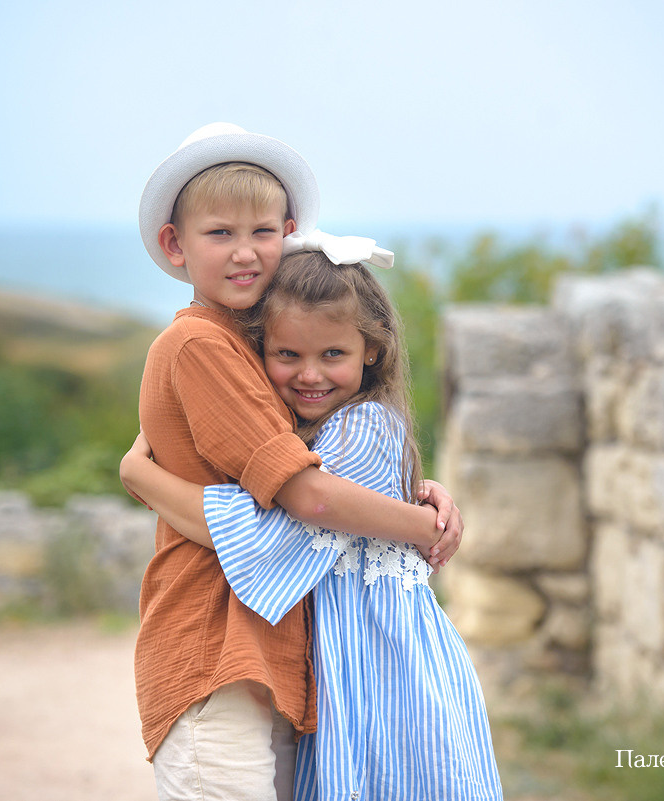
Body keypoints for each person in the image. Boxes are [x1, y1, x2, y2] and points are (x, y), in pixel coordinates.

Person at [131, 122, 464, 801]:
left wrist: (407, 484)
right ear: (175, 244)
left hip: (262, 655)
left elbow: (325, 458)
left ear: (287, 234)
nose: (245, 251)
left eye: (261, 231)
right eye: (219, 233)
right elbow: (307, 496)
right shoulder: (202, 345)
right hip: (214, 645)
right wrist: (419, 525)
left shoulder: (252, 344)